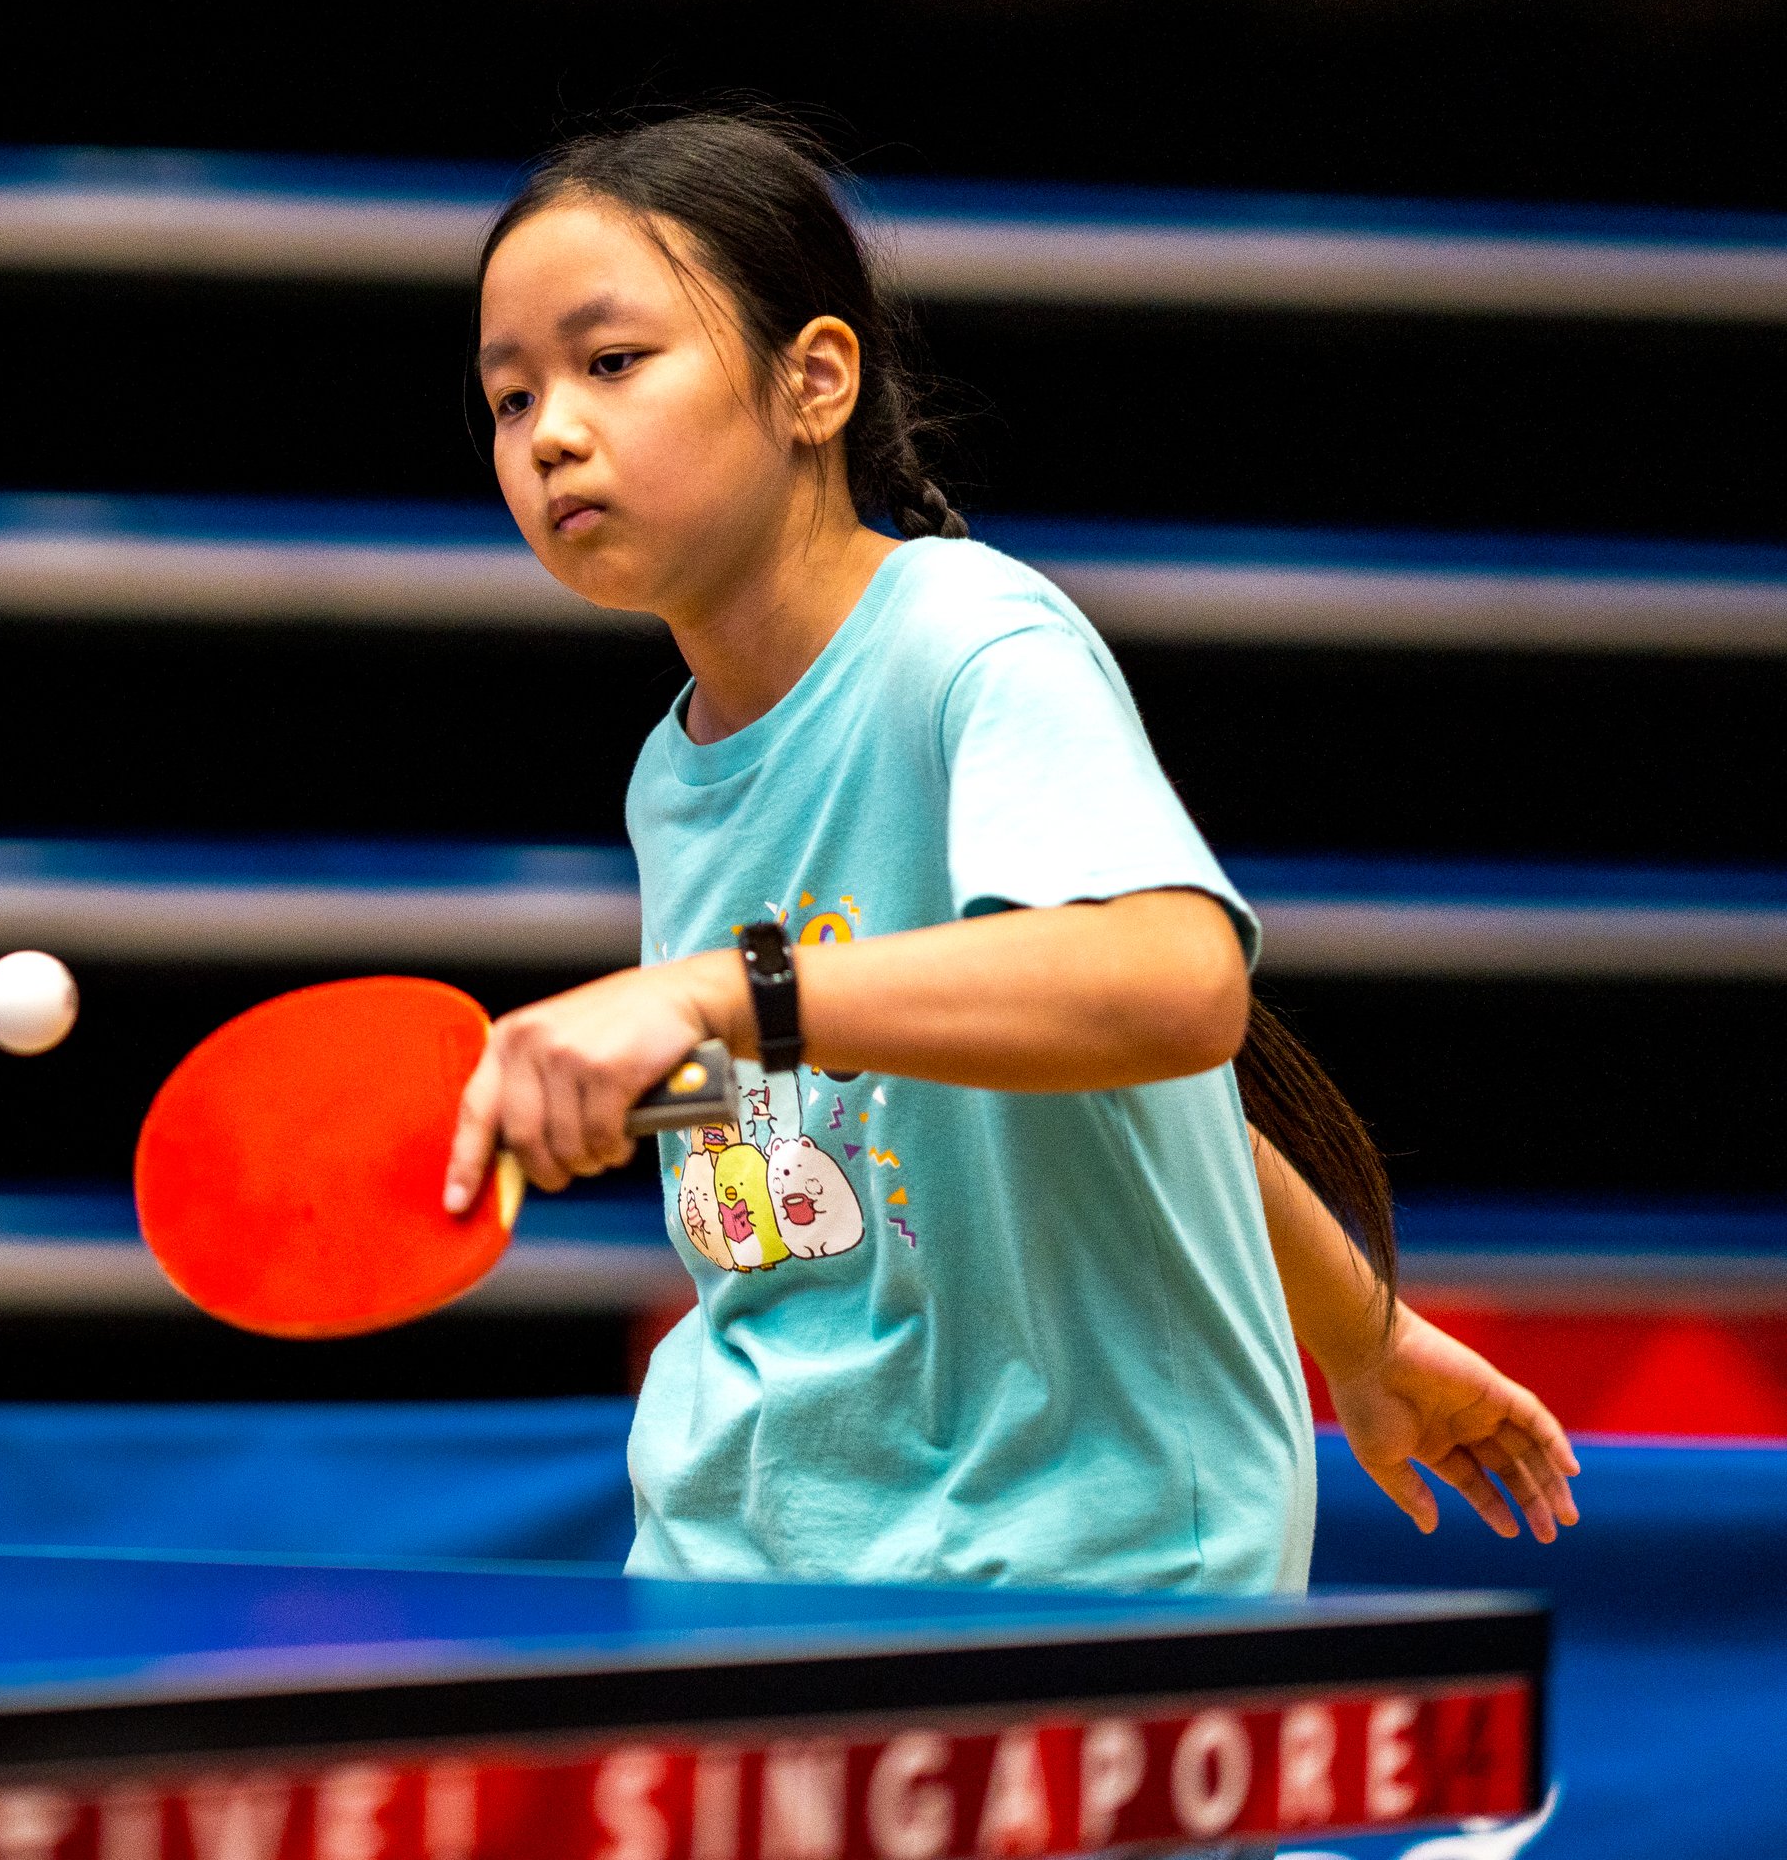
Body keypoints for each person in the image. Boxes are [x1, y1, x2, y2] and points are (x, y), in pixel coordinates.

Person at [443, 108, 1577, 1592]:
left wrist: (723, 998)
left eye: (610, 363)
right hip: (753, 1556)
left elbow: (1168, 991)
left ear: (815, 382)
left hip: (1067, 1556)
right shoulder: (678, 771)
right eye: (509, 399)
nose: (553, 434)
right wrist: (1369, 1338)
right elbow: (1045, 1100)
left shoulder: (972, 642)